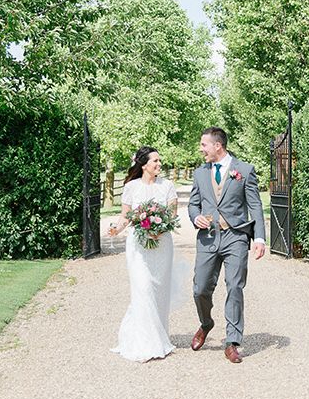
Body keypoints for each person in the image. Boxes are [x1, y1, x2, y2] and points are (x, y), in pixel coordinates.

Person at [188, 127, 266, 363]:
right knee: (200, 288)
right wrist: (195, 217)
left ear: (217, 146)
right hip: (208, 237)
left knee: (235, 287)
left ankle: (232, 342)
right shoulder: (200, 173)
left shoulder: (244, 170)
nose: (201, 149)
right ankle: (206, 323)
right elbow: (193, 204)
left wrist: (260, 238)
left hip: (236, 237)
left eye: (204, 145)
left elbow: (255, 205)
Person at [109, 146, 178, 362]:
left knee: (159, 291)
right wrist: (116, 229)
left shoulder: (167, 186)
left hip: (162, 245)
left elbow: (172, 215)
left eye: (159, 160)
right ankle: (143, 343)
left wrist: (159, 229)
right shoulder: (131, 187)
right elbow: (126, 216)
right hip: (138, 246)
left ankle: (158, 336)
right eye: (155, 161)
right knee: (143, 288)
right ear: (144, 164)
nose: (159, 164)